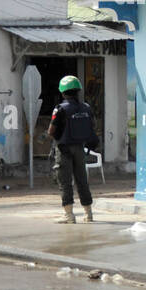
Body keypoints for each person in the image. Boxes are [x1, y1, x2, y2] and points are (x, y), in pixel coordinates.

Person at [47, 75, 99, 224]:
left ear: (63, 92)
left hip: (63, 149)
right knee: (82, 180)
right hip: (80, 149)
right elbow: (92, 126)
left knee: (64, 181)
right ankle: (88, 214)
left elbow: (51, 131)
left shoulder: (60, 109)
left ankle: (69, 216)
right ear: (78, 91)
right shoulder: (86, 108)